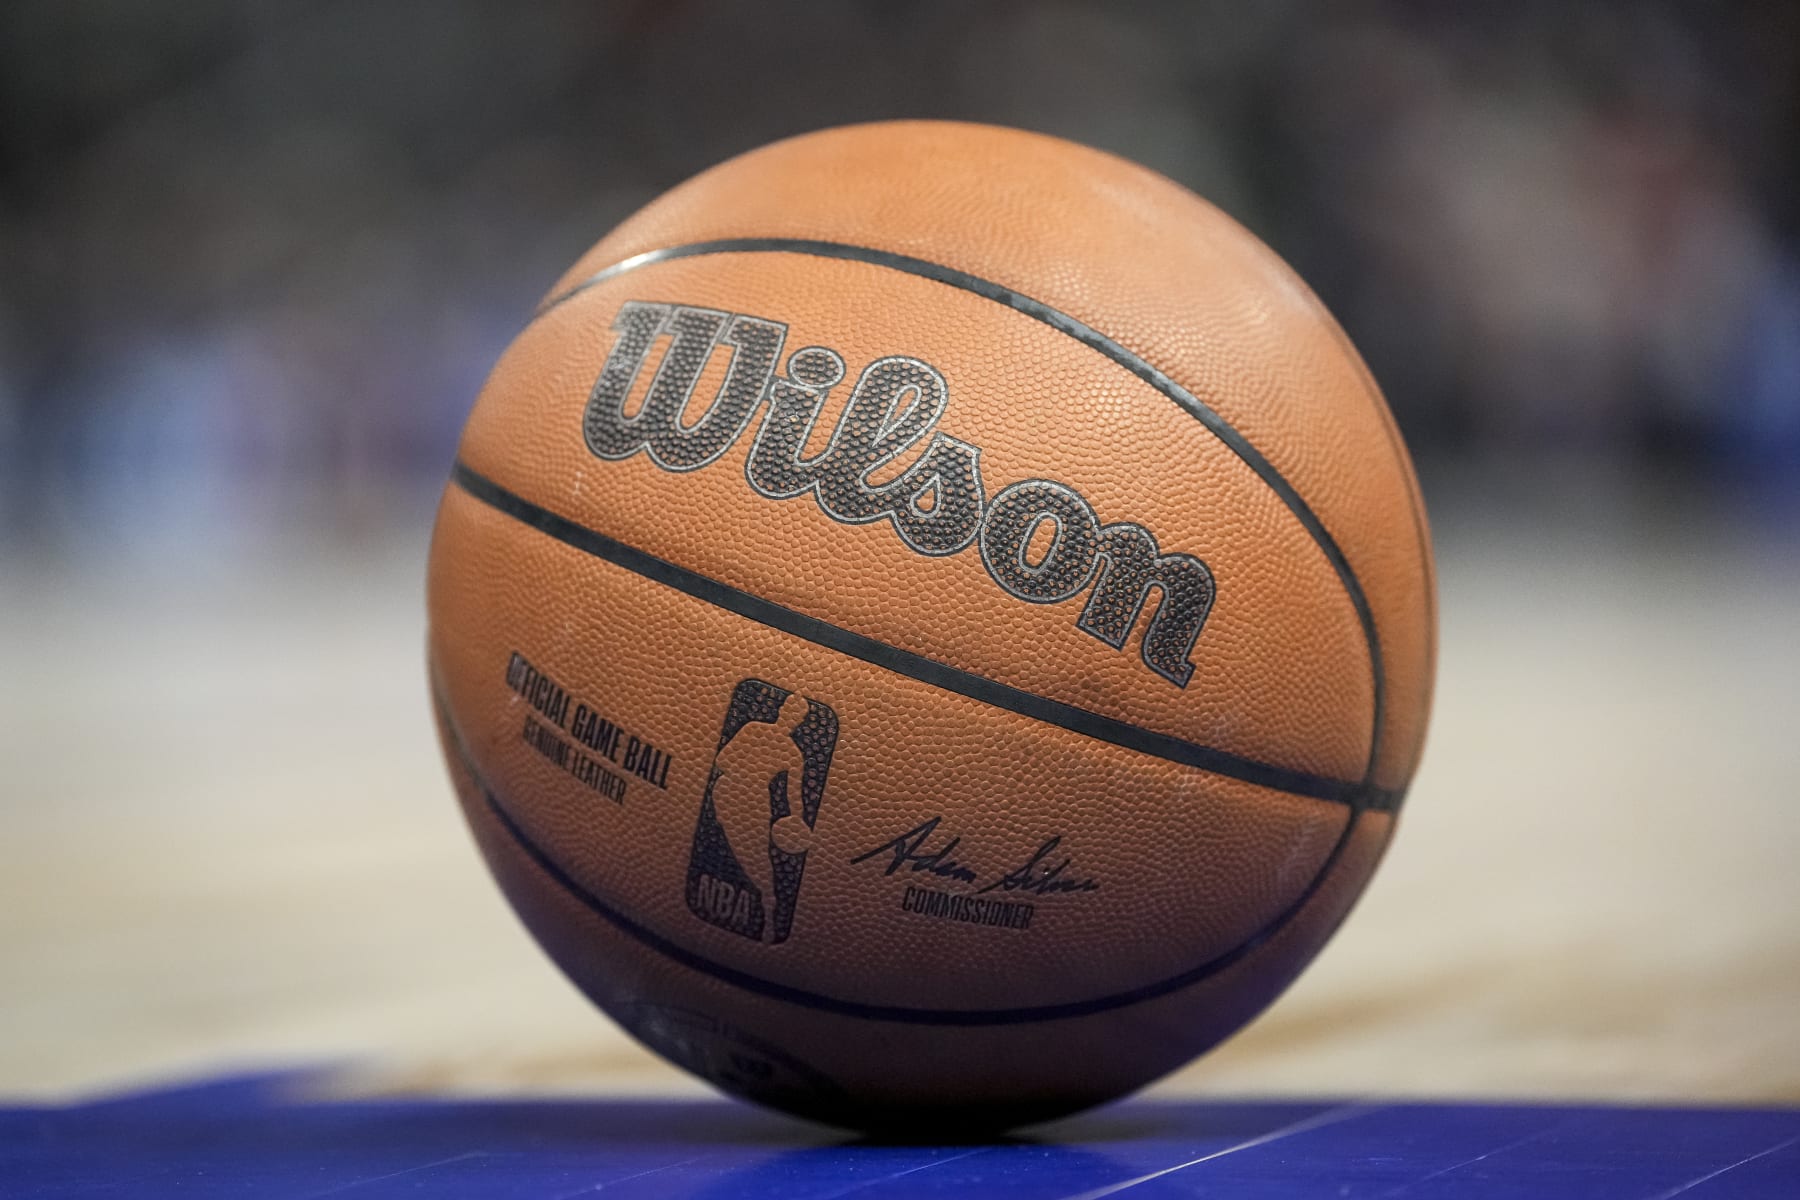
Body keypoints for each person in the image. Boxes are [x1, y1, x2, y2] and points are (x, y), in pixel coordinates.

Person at [711, 694, 813, 940]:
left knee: (756, 859)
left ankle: (768, 909)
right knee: (750, 856)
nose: (790, 716)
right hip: (740, 794)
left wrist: (796, 819)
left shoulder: (783, 748)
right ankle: (767, 905)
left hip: (745, 796)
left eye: (794, 714)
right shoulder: (763, 735)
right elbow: (721, 760)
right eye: (790, 710)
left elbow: (723, 761)